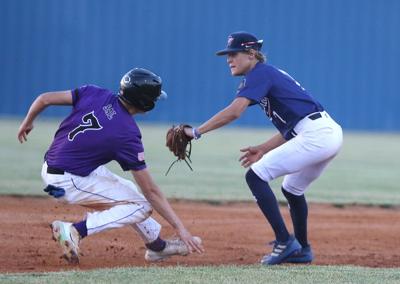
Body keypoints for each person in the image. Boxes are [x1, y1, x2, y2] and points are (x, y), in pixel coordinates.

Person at [181, 32, 343, 265]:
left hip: (317, 135)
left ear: (251, 54)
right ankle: (302, 249)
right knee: (292, 188)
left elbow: (235, 111)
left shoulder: (260, 73)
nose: (229, 59)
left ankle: (284, 241)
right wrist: (264, 148)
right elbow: (294, 123)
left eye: (233, 54)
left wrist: (196, 132)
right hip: (325, 132)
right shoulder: (268, 74)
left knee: (255, 176)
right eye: (227, 55)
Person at [17, 68, 203, 264]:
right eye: (154, 98)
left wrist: (27, 122)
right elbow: (151, 191)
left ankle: (158, 248)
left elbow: (44, 99)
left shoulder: (95, 92)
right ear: (144, 102)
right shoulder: (127, 134)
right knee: (142, 205)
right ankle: (74, 231)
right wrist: (181, 229)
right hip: (67, 181)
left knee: (130, 192)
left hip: (59, 167)